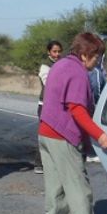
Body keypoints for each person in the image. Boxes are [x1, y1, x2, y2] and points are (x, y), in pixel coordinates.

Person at [38, 32, 107, 214]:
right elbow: (77, 110)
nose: (97, 61)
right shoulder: (77, 73)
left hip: (46, 132)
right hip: (62, 136)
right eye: (95, 56)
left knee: (55, 186)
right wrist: (99, 135)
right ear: (84, 55)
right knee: (79, 186)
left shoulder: (60, 65)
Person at [33, 40, 63, 174]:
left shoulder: (62, 63)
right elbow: (49, 82)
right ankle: (39, 164)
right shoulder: (45, 66)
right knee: (44, 134)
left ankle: (54, 162)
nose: (57, 54)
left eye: (59, 51)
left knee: (57, 134)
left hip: (58, 104)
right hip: (45, 104)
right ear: (49, 52)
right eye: (54, 51)